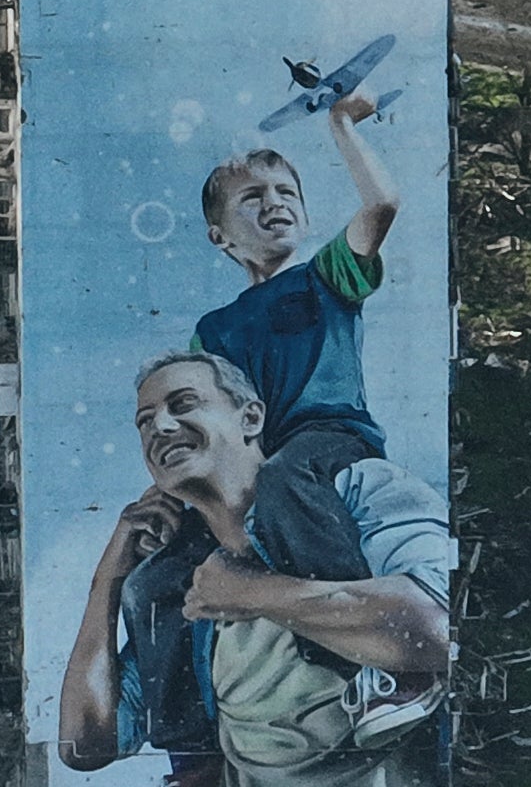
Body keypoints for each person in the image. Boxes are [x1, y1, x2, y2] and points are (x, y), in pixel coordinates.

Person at [59, 352, 453, 787]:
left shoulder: (354, 491)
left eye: (184, 404)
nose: (160, 426)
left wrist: (251, 593)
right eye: (144, 421)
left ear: (251, 418)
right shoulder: (178, 590)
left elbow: (439, 634)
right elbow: (84, 745)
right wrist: (108, 582)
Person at [188, 87, 440, 749]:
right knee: (169, 570)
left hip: (329, 439)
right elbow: (209, 420)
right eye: (253, 197)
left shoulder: (325, 278)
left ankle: (386, 664)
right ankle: (192, 754)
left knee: (281, 482)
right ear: (220, 236)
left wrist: (341, 124)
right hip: (267, 460)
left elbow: (382, 205)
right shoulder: (213, 329)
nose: (275, 202)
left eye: (286, 192)